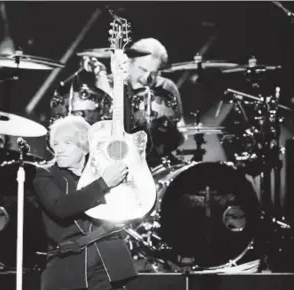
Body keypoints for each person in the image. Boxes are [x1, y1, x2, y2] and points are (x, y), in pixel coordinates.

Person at [33, 115, 138, 290]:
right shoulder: (45, 175)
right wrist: (103, 184)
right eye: (56, 144)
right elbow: (61, 207)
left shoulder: (104, 170)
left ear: (84, 146)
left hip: (108, 261)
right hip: (68, 267)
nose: (59, 150)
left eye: (67, 143)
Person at [85, 38, 186, 167]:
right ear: (129, 63)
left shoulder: (166, 86)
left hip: (156, 161)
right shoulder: (108, 83)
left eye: (154, 72)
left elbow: (180, 130)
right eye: (143, 70)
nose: (147, 78)